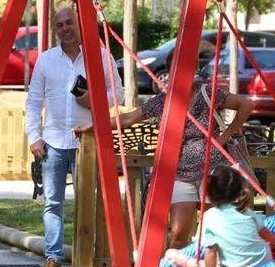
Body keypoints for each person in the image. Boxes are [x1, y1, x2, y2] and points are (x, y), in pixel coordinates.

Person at [78, 74, 253, 250]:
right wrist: (95, 125)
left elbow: (246, 104)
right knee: (178, 234)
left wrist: (224, 137)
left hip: (211, 171)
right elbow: (128, 118)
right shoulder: (163, 100)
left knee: (213, 232)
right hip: (180, 173)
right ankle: (179, 265)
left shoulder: (208, 93)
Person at [25, 8, 124, 267]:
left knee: (88, 203)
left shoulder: (101, 57)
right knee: (52, 202)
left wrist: (94, 98)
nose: (65, 28)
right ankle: (53, 259)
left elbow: (118, 93)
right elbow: (33, 102)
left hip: (87, 142)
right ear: (55, 29)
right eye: (60, 25)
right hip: (53, 142)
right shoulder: (46, 60)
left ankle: (85, 260)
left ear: (79, 25)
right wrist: (34, 136)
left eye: (69, 23)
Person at [164, 165, 275, 267]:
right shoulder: (246, 212)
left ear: (208, 193)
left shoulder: (209, 216)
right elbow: (266, 234)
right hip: (265, 265)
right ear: (239, 191)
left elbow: (211, 252)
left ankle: (186, 262)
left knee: (171, 253)